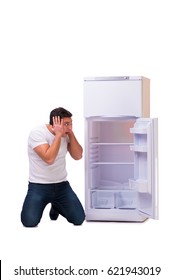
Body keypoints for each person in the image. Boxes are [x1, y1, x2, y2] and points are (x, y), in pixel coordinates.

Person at [21, 107, 85, 227]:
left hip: (62, 186)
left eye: (71, 124)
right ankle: (54, 203)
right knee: (29, 222)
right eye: (66, 124)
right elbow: (49, 158)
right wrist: (58, 135)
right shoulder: (37, 133)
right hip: (39, 186)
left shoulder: (67, 134)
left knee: (79, 219)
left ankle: (56, 206)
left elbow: (78, 156)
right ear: (56, 123)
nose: (70, 127)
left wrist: (70, 133)